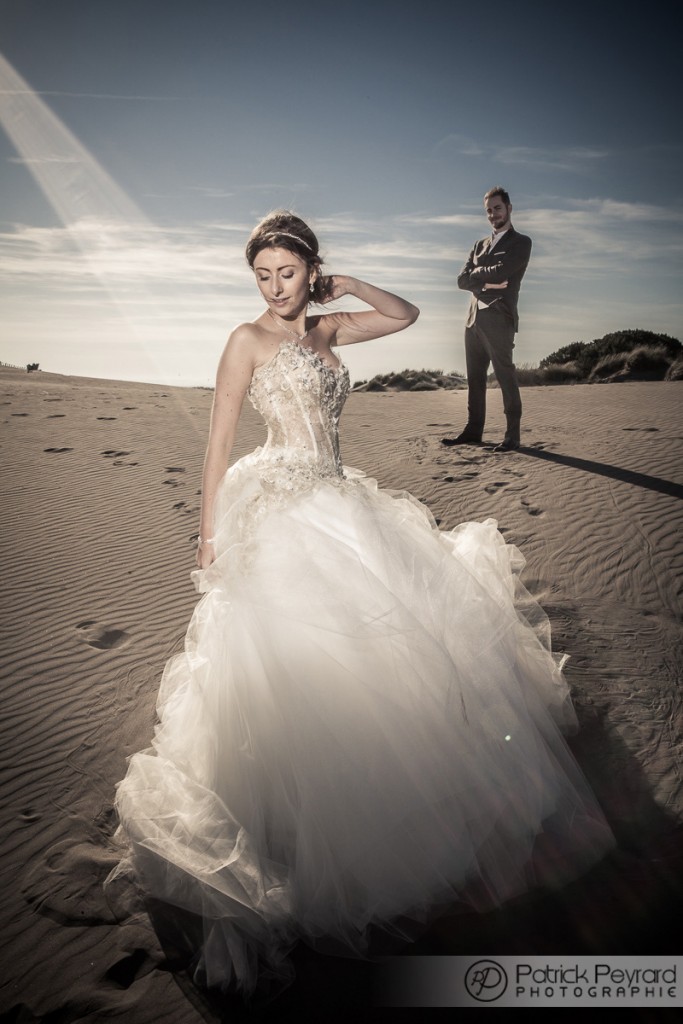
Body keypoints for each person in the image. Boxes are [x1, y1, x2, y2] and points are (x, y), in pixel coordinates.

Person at [107, 210, 613, 998]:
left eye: (288, 271)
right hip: (277, 505)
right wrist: (207, 533)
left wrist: (341, 287)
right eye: (263, 275)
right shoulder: (245, 341)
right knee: (299, 665)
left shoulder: (330, 330)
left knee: (399, 656)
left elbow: (404, 315)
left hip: (340, 499)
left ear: (310, 270)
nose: (275, 287)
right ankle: (292, 833)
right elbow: (217, 440)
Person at [444, 186, 532, 452]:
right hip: (472, 320)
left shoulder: (521, 242)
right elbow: (461, 280)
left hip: (499, 318)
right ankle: (473, 431)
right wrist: (486, 283)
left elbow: (504, 272)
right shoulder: (478, 244)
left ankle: (512, 436)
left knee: (505, 375)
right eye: (489, 211)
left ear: (509, 209)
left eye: (498, 208)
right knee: (475, 379)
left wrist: (479, 274)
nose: (493, 214)